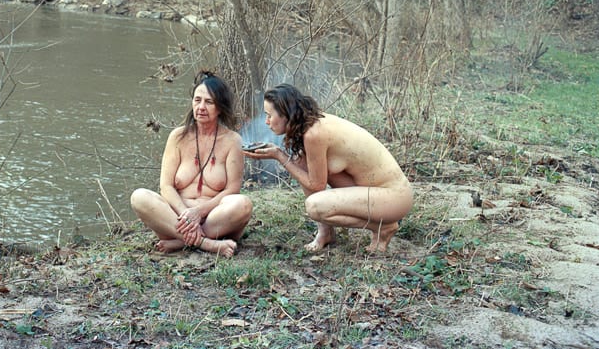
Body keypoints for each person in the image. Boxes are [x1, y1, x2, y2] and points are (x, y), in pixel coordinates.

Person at [244, 84, 412, 253]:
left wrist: (278, 155)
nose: (266, 122)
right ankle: (326, 233)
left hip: (393, 197)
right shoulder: (311, 124)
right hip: (376, 192)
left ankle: (383, 227)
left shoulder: (314, 134)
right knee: (300, 159)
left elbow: (315, 185)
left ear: (286, 113)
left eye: (269, 115)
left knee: (315, 207)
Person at [131, 71, 253, 258]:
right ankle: (205, 243)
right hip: (176, 219)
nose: (201, 107)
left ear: (220, 107)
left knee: (243, 204)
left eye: (209, 102)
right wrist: (186, 215)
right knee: (139, 196)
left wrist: (199, 212)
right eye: (197, 100)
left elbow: (232, 189)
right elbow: (166, 186)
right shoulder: (178, 137)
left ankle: (181, 241)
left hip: (215, 219)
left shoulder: (232, 140)